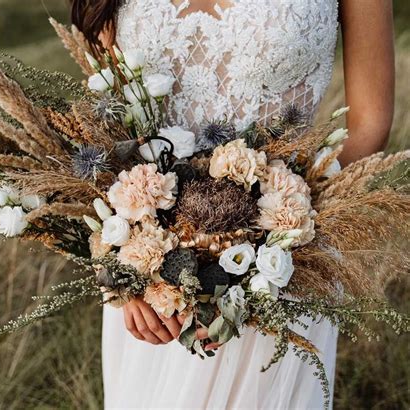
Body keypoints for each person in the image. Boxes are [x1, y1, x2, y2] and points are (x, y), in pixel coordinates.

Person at [71, 0, 395, 408]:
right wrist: (122, 270)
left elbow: (370, 123)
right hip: (154, 287)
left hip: (281, 271)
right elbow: (110, 126)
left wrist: (283, 228)